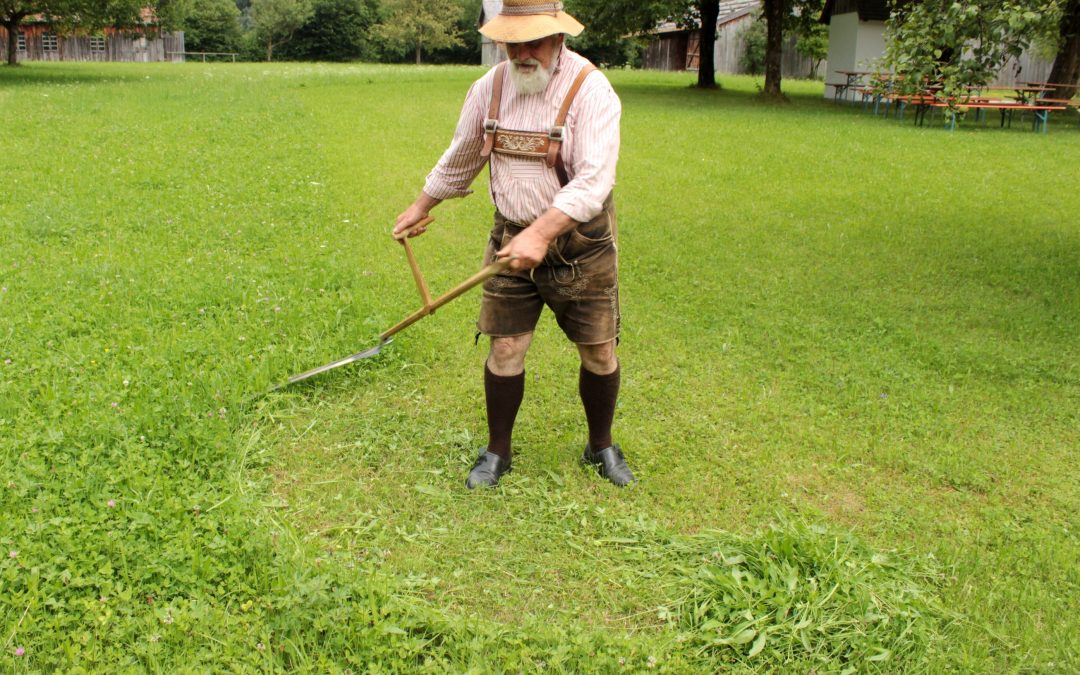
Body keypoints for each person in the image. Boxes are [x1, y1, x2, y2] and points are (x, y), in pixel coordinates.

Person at [392, 0, 634, 489]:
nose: (523, 54)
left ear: (559, 39)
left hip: (579, 246)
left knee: (599, 351)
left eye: (535, 43)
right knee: (505, 348)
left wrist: (542, 234)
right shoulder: (490, 87)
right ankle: (497, 452)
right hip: (510, 240)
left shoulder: (592, 91)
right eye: (512, 43)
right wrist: (421, 205)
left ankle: (601, 445)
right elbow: (462, 155)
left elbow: (593, 182)